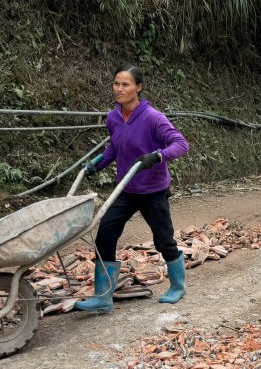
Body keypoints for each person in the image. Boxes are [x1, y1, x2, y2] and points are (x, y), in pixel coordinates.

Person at [74, 64, 190, 313]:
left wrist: (156, 156)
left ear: (138, 87)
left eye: (125, 84)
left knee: (163, 240)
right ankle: (104, 296)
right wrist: (97, 164)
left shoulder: (152, 118)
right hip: (125, 189)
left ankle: (178, 286)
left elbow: (180, 144)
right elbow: (115, 148)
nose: (119, 88)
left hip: (152, 190)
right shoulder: (113, 117)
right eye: (116, 83)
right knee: (104, 235)